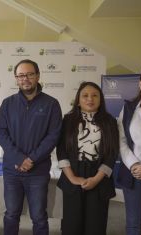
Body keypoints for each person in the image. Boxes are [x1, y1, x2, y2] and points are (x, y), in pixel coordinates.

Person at [0, 59, 62, 235]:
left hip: (38, 170)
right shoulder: (7, 103)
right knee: (11, 214)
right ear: (16, 79)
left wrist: (31, 159)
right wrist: (19, 159)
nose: (25, 79)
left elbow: (53, 136)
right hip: (12, 169)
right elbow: (1, 133)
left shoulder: (51, 104)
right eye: (21, 75)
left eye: (29, 74)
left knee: (39, 217)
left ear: (38, 76)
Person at [56, 81, 119, 235]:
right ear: (78, 100)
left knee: (95, 226)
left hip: (99, 177)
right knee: (72, 224)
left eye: (94, 95)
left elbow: (112, 153)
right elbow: (61, 150)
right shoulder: (68, 120)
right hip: (73, 174)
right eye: (85, 96)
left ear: (100, 99)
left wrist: (96, 178)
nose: (90, 99)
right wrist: (72, 178)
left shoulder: (110, 121)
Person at [117, 64, 141, 235]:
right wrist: (133, 165)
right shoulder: (129, 108)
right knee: (132, 224)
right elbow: (121, 140)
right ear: (140, 83)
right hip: (132, 175)